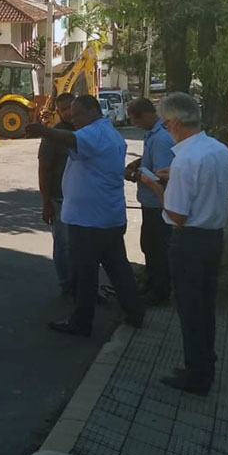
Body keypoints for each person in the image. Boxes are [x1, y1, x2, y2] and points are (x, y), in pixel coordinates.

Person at [26, 95, 144, 337]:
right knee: (117, 266)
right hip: (107, 215)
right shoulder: (108, 133)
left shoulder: (94, 133)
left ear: (92, 111)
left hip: (89, 220)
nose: (72, 118)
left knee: (85, 272)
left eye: (76, 114)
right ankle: (135, 311)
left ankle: (82, 321)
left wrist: (44, 131)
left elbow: (69, 138)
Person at [139, 92, 228, 395]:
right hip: (213, 237)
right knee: (205, 305)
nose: (166, 129)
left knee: (190, 308)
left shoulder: (185, 160)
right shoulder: (217, 149)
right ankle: (206, 361)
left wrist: (155, 184)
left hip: (189, 241)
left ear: (176, 121)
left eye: (166, 124)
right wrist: (173, 178)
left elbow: (176, 215)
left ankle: (197, 374)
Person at [125, 98, 175, 305]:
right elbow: (150, 160)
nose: (136, 126)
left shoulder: (161, 138)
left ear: (144, 115)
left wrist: (134, 175)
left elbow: (161, 176)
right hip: (151, 203)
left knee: (157, 249)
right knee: (149, 245)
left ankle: (159, 292)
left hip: (158, 204)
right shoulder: (154, 134)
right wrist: (137, 163)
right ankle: (152, 283)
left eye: (136, 122)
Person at [38, 93, 76, 295]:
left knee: (80, 246)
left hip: (82, 201)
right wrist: (46, 202)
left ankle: (81, 284)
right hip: (60, 199)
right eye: (64, 109)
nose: (69, 113)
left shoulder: (86, 130)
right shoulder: (53, 135)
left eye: (72, 107)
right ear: (59, 113)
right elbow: (44, 168)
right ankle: (66, 284)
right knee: (64, 245)